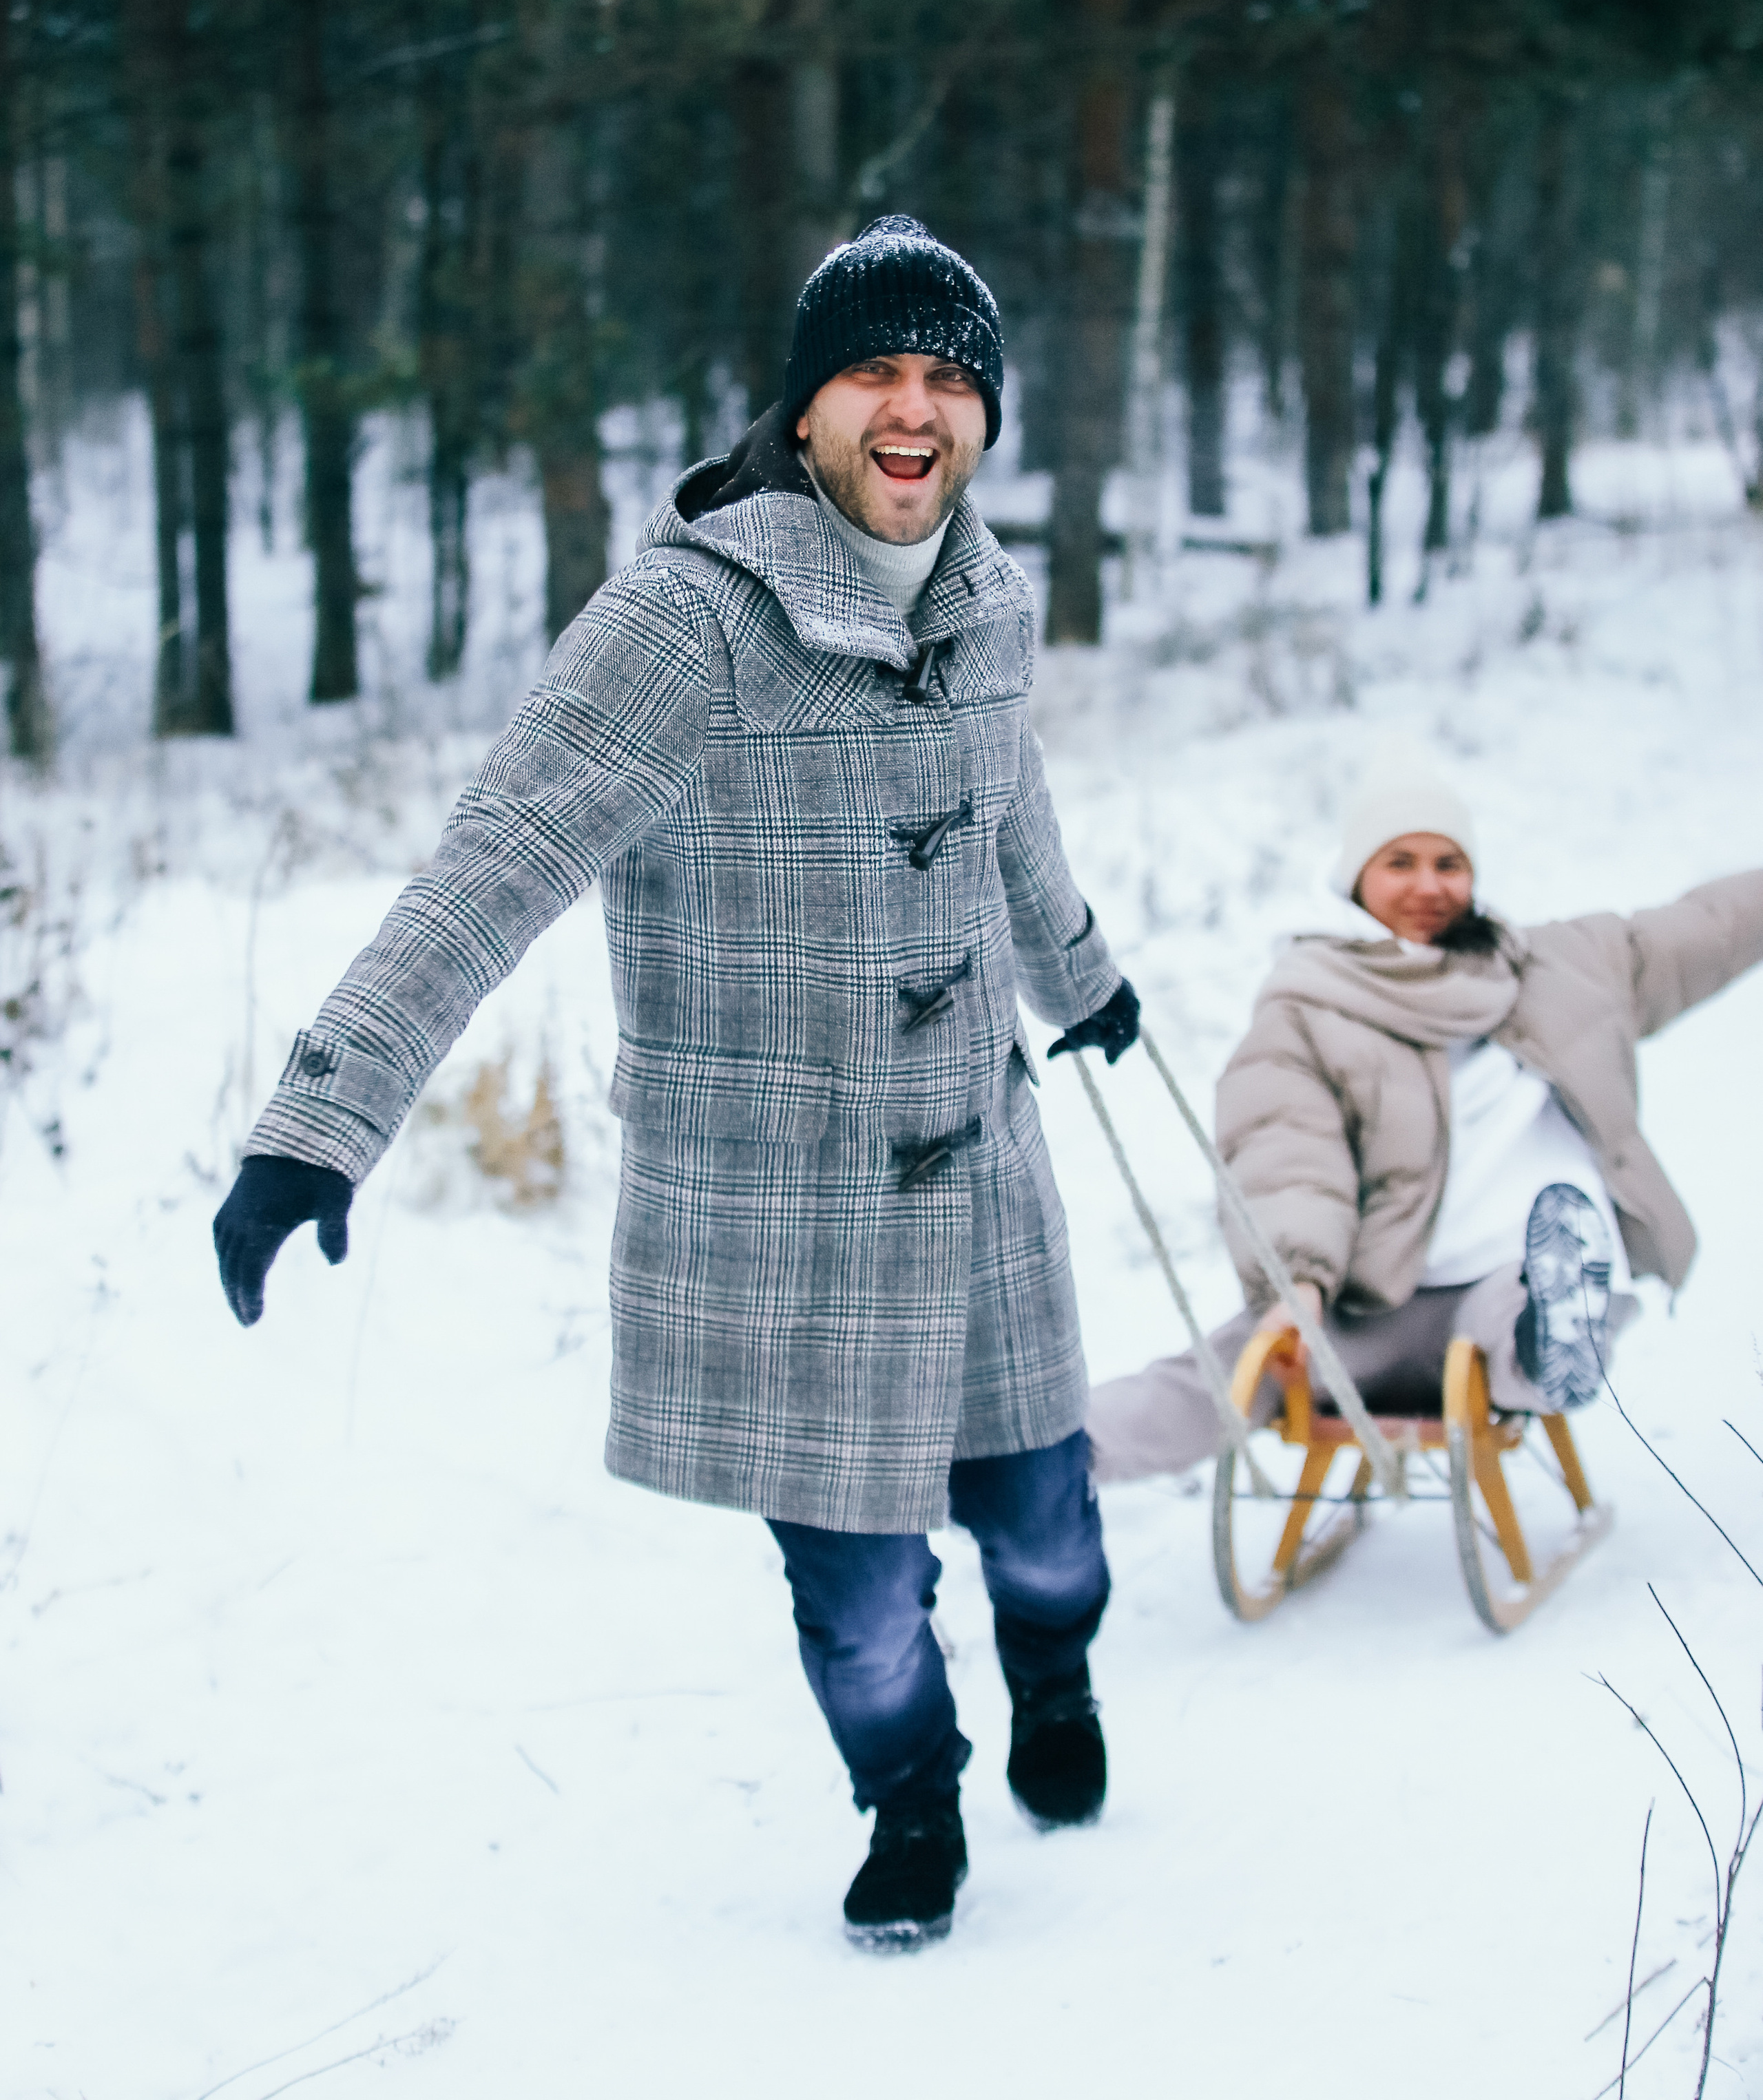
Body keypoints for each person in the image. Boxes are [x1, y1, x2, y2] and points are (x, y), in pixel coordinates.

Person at [211, 215, 1140, 1951]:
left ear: (986, 418)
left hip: (981, 1164)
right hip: (781, 1207)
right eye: (874, 372)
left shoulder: (985, 594)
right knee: (859, 1599)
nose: (913, 409)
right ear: (803, 413)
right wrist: (319, 1121)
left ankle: (1055, 1666)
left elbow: (1004, 803)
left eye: (948, 378)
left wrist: (1078, 972)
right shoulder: (681, 623)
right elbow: (493, 861)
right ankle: (912, 1791)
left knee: (1047, 1518)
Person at [1086, 766, 1763, 1482]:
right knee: (1228, 1369)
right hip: (1374, 1298)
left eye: (1449, 864)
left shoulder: (1564, 966)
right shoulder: (1309, 1009)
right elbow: (1286, 1154)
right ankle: (1037, 1461)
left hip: (1516, 1274)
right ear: (1354, 877)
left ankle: (1561, 1335)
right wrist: (1299, 1287)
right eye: (1399, 863)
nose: (1428, 885)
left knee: (1515, 1330)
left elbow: (1703, 931)